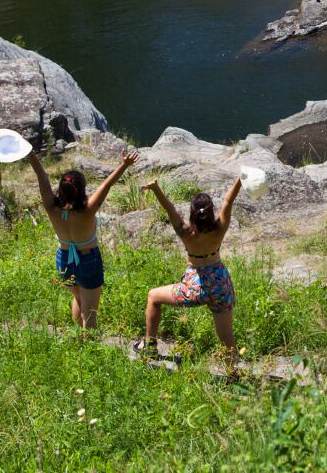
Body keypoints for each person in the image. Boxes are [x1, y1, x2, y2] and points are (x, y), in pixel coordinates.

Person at [29, 148, 139, 328]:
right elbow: (107, 184)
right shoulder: (88, 209)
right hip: (88, 259)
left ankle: (79, 337)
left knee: (79, 298)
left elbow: (42, 176)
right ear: (81, 190)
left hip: (64, 259)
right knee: (90, 313)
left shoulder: (51, 207)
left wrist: (30, 154)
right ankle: (90, 342)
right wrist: (124, 165)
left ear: (60, 189)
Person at [138, 176, 241, 356]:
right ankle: (232, 370)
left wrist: (155, 188)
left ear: (192, 214)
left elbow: (169, 208)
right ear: (211, 212)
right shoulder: (219, 229)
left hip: (195, 287)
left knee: (153, 296)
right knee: (226, 338)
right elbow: (228, 201)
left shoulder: (186, 233)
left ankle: (149, 346)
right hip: (220, 284)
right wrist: (240, 179)